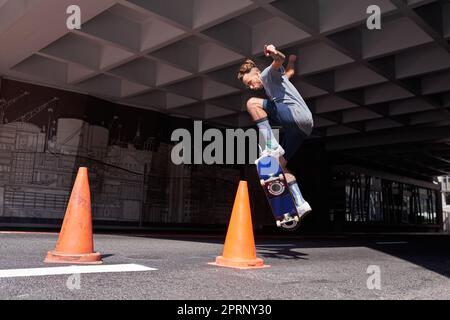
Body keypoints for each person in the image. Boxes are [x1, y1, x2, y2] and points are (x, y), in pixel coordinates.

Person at [237, 44, 314, 218]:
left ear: (257, 74)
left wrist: (274, 53)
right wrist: (293, 62)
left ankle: (271, 144)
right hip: (302, 129)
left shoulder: (267, 74)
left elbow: (279, 60)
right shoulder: (278, 81)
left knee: (252, 103)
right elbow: (289, 73)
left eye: (250, 82)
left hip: (296, 116)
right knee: (279, 167)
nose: (251, 87)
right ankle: (301, 203)